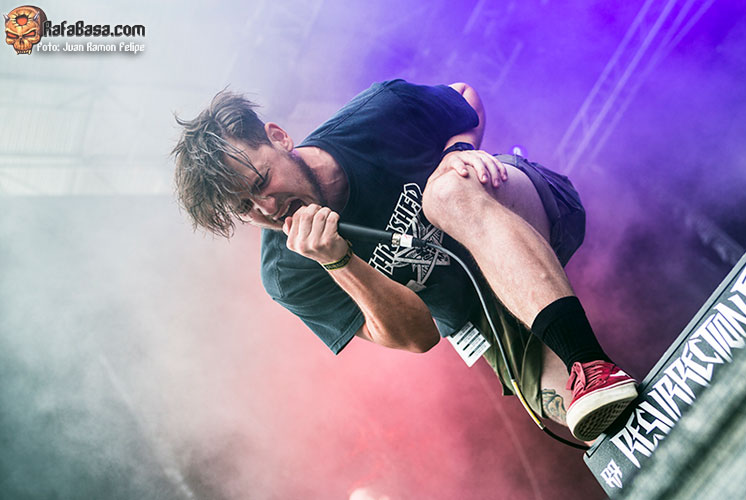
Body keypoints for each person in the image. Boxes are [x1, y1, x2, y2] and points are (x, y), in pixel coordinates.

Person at [172, 79, 637, 441]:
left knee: (446, 193)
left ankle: (587, 362)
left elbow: (463, 97)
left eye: (261, 183)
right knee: (596, 414)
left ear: (278, 137)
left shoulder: (378, 112)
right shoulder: (287, 272)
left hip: (524, 208)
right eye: (245, 208)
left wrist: (457, 153)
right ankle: (603, 383)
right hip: (482, 316)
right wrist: (339, 262)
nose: (268, 209)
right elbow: (418, 336)